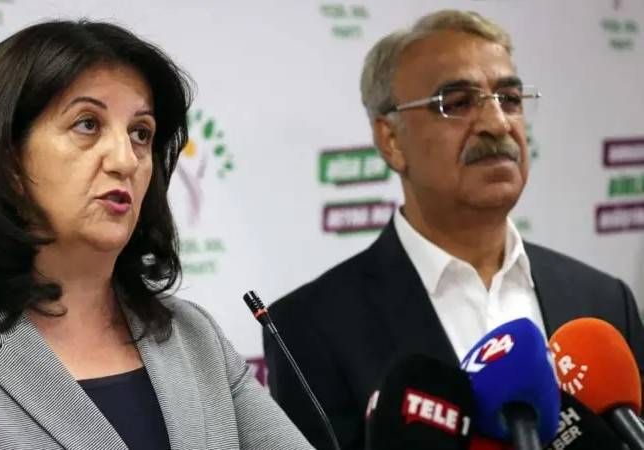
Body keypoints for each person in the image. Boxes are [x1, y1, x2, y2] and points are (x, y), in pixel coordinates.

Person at [0, 20, 312, 450]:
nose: (125, 160)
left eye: (140, 133)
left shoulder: (194, 337)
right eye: (87, 124)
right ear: (8, 161)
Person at [264, 9, 644, 450]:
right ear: (391, 139)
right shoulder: (310, 330)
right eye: (458, 103)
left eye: (510, 99)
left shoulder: (604, 303)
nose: (497, 123)